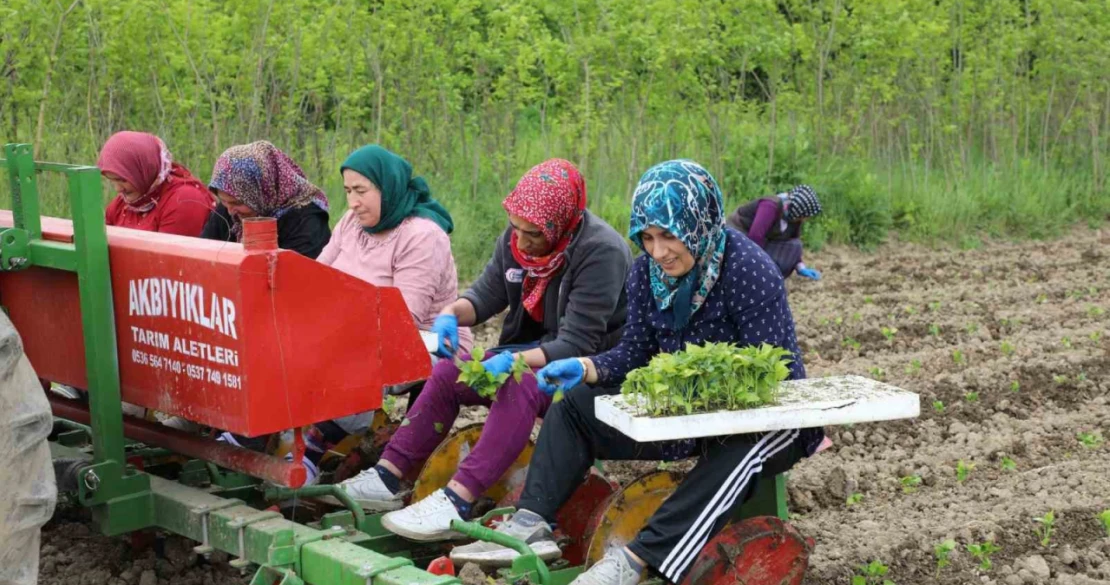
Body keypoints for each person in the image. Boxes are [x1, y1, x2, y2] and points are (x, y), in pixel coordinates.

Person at [450, 160, 824, 585]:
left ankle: (636, 560)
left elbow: (772, 372)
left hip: (771, 417)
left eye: (669, 236)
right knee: (574, 407)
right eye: (647, 237)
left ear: (698, 224)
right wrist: (586, 367)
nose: (658, 251)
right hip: (683, 410)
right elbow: (634, 354)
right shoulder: (646, 274)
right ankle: (530, 522)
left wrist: (697, 389)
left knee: (743, 444)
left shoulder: (749, 271)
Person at [339, 159, 633, 541]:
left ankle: (456, 500)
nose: (522, 242)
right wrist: (451, 314)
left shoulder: (600, 251)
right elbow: (484, 296)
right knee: (448, 373)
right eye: (516, 229)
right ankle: (387, 476)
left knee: (518, 384)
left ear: (561, 226)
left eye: (534, 235)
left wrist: (513, 360)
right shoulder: (517, 240)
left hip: (589, 368)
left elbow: (576, 343)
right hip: (533, 350)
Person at [301, 144, 474, 475]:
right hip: (359, 329)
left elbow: (402, 319)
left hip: (428, 340)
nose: (352, 202)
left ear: (387, 186)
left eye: (361, 191)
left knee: (354, 356)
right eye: (348, 191)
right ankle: (282, 436)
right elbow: (318, 277)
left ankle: (312, 451)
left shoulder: (422, 236)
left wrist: (336, 326)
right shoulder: (352, 223)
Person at [201, 141, 330, 258]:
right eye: (223, 201)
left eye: (237, 202)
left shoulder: (306, 221)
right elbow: (204, 253)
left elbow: (297, 275)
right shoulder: (228, 210)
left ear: (264, 190)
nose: (230, 211)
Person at [97, 131, 214, 236]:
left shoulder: (184, 199)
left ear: (143, 171)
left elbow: (169, 257)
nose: (118, 189)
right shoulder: (122, 205)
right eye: (112, 180)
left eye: (122, 180)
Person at [725, 184, 822, 280]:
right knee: (753, 263)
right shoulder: (770, 206)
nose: (804, 219)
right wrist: (757, 266)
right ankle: (751, 274)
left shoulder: (793, 217)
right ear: (799, 210)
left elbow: (793, 243)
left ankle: (771, 276)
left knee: (795, 245)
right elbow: (755, 237)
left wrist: (800, 267)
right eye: (804, 216)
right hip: (740, 235)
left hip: (761, 242)